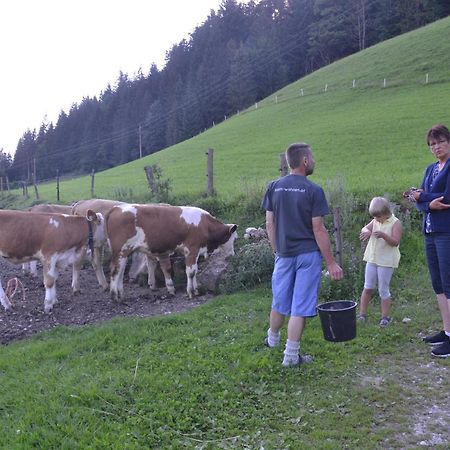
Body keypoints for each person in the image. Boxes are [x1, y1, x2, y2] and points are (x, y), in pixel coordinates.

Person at [261, 142, 344, 367]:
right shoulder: (313, 190)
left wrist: (277, 250)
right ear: (305, 161)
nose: (314, 161)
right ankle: (290, 356)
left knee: (279, 301)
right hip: (308, 256)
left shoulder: (273, 187)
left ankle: (272, 340)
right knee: (300, 306)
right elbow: (318, 229)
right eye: (312, 157)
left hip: (284, 254)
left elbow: (270, 223)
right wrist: (331, 262)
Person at [405, 124, 450, 358]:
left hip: (447, 232)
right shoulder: (430, 169)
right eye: (432, 144)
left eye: (440, 141)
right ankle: (447, 331)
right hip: (430, 232)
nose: (436, 147)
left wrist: (423, 197)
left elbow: (448, 198)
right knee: (438, 284)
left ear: (449, 142)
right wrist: (425, 202)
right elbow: (418, 200)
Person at [357, 197, 402, 327]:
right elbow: (365, 228)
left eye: (378, 217)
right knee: (367, 287)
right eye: (374, 217)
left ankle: (385, 317)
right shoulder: (375, 220)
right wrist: (366, 231)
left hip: (386, 261)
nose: (376, 219)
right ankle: (362, 314)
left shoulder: (395, 223)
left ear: (386, 213)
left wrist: (383, 235)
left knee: (383, 289)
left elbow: (395, 242)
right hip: (372, 259)